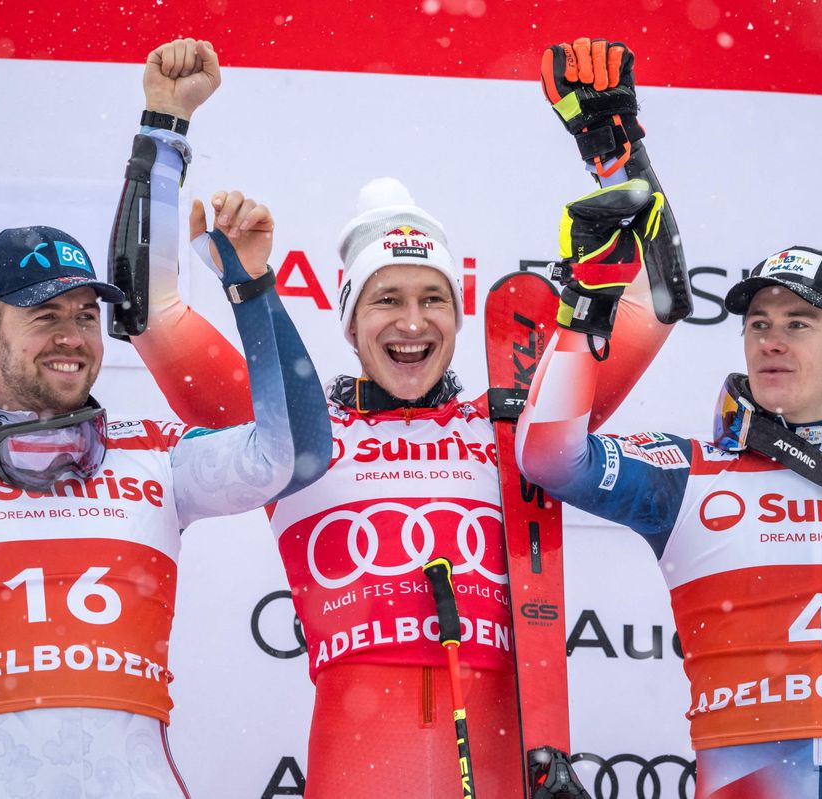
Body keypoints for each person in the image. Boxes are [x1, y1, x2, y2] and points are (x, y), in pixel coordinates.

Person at [127, 38, 688, 799]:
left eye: (433, 300)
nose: (412, 322)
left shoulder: (516, 424)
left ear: (457, 318)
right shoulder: (297, 431)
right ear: (351, 322)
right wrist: (165, 128)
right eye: (385, 299)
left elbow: (654, 301)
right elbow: (152, 315)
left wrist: (612, 146)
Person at [0, 37, 330, 798]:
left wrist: (252, 287)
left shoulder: (154, 458)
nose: (73, 337)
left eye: (86, 315)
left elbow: (297, 455)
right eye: (44, 315)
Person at [515, 42, 822, 799]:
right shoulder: (690, 472)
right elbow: (549, 457)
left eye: (800, 322)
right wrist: (585, 310)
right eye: (759, 321)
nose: (771, 337)